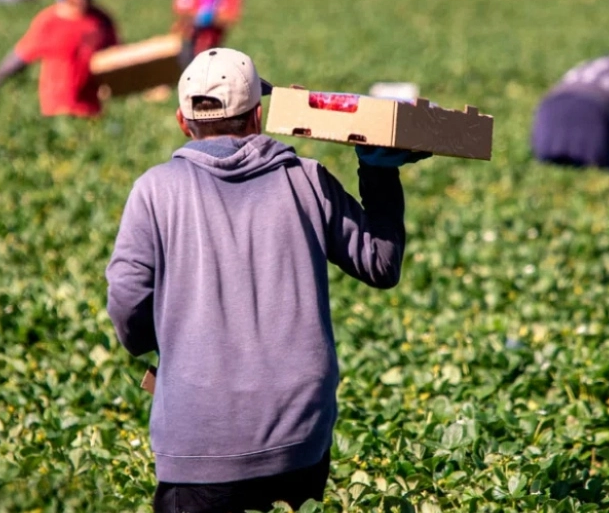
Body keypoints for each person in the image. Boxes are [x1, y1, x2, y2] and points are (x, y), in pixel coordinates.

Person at [105, 48, 428, 513]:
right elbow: (379, 263)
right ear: (258, 116)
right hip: (298, 439)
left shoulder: (155, 190)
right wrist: (378, 173)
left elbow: (127, 300)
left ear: (183, 121)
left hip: (198, 442)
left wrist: (163, 350)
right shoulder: (307, 180)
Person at [0, 0, 118, 117]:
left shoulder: (102, 20)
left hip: (92, 108)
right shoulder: (49, 22)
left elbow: (115, 56)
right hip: (57, 108)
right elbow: (21, 56)